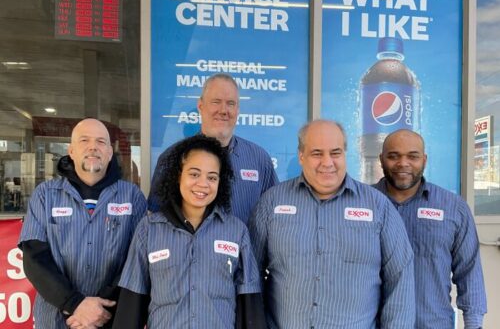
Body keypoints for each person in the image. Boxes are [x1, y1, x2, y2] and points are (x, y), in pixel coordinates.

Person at [249, 119, 415, 328]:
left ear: (345, 154)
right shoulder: (271, 203)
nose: (327, 162)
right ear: (301, 156)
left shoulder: (378, 207)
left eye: (335, 153)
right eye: (317, 153)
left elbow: (400, 280)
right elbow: (250, 275)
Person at [113, 135, 265, 328]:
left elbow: (249, 303)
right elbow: (132, 301)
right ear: (178, 176)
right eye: (194, 174)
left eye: (212, 177)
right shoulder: (149, 230)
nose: (203, 184)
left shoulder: (236, 232)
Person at [19, 118, 147, 329]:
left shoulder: (132, 197)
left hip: (110, 317)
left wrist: (99, 309)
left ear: (109, 152)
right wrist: (75, 304)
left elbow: (137, 260)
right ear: (71, 150)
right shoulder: (45, 195)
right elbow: (35, 259)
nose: (92, 147)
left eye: (101, 142)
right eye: (84, 140)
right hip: (56, 319)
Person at [374, 129, 487, 329]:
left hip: (432, 323)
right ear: (381, 159)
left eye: (413, 156)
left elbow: (469, 271)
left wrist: (474, 324)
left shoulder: (453, 207)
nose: (403, 163)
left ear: (424, 160)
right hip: (373, 323)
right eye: (393, 156)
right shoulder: (364, 204)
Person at [148, 73, 278, 224]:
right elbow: (156, 218)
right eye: (216, 102)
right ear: (200, 106)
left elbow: (275, 213)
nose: (223, 110)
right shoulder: (172, 157)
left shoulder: (259, 159)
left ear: (238, 110)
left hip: (246, 247)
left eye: (230, 103)